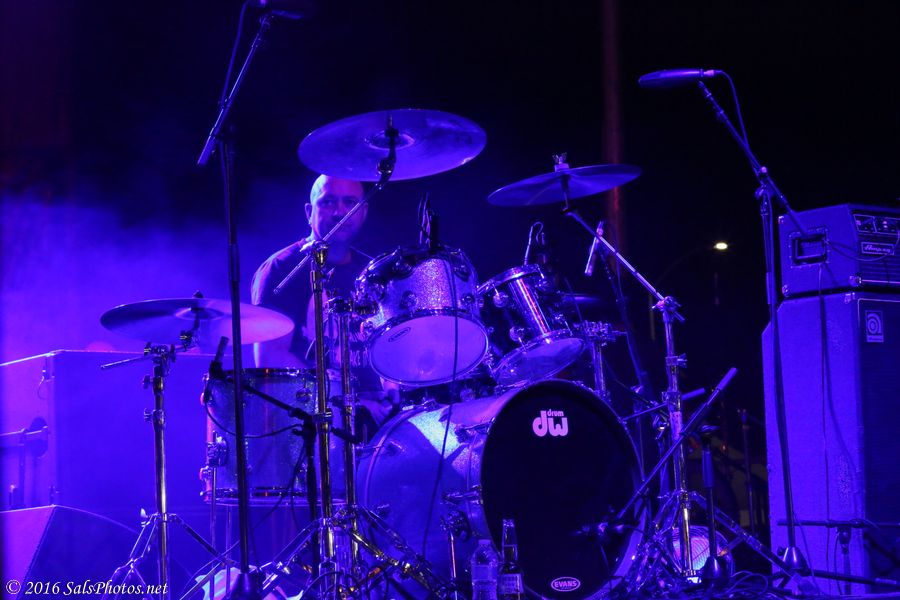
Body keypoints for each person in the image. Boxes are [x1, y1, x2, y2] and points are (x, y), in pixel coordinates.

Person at [251, 174, 394, 429]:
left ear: (363, 212)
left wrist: (394, 386)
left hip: (377, 423)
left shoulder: (372, 270)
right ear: (309, 212)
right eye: (328, 202)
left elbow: (391, 343)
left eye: (350, 202)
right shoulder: (282, 268)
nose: (340, 212)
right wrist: (350, 401)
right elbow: (271, 358)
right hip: (311, 423)